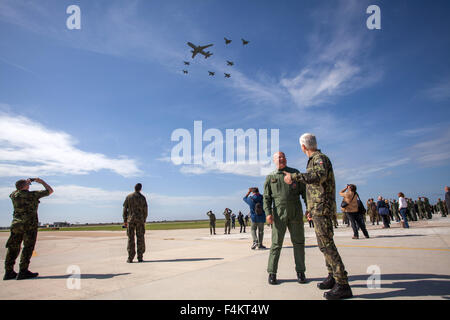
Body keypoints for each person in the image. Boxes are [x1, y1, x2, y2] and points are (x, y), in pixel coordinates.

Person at [283, 133, 352, 300]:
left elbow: (318, 177)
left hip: (323, 209)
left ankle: (342, 284)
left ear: (303, 147)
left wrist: (294, 176)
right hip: (317, 208)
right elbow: (314, 188)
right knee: (323, 245)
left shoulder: (320, 158)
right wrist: (310, 207)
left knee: (327, 245)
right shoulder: (314, 160)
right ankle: (333, 276)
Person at [264, 151, 307, 285]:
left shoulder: (294, 173)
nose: (281, 159)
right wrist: (268, 213)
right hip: (278, 214)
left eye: (283, 156)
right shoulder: (270, 177)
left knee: (299, 243)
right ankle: (272, 273)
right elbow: (267, 198)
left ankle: (301, 272)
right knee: (276, 244)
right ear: (274, 161)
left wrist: (309, 208)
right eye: (279, 157)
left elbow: (304, 192)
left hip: (295, 212)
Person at [4, 178, 53, 280]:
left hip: (16, 225)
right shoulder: (32, 195)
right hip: (29, 225)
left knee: (13, 248)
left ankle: (8, 272)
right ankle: (23, 271)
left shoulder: (14, 195)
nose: (29, 185)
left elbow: (17, 189)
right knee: (28, 247)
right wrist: (42, 182)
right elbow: (50, 191)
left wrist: (25, 182)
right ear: (24, 186)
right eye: (28, 184)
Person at [123, 183, 148, 263]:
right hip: (140, 220)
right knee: (140, 238)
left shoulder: (128, 197)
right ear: (140, 189)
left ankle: (130, 258)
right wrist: (143, 219)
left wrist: (125, 220)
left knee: (131, 239)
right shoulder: (142, 198)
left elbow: (124, 210)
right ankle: (140, 257)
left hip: (131, 220)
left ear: (134, 188)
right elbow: (145, 211)